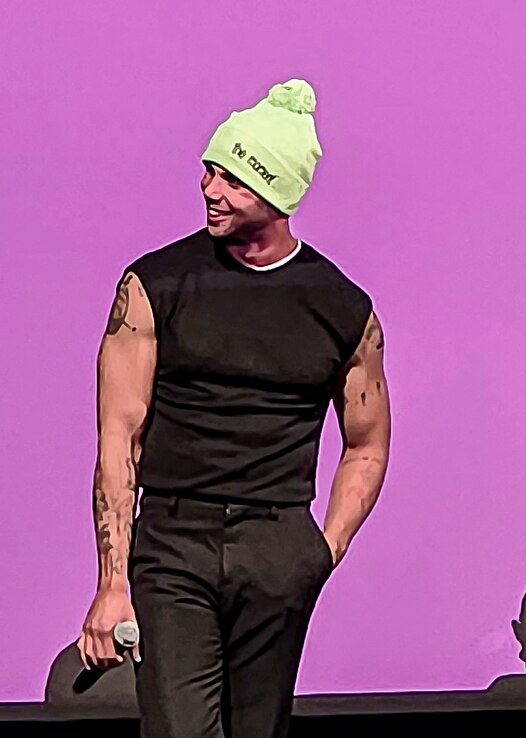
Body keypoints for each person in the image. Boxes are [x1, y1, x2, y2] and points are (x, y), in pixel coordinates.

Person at [76, 79, 390, 738]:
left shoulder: (341, 306)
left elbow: (367, 443)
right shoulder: (154, 284)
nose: (211, 190)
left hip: (277, 545)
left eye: (235, 179)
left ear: (278, 194)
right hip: (174, 542)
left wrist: (320, 552)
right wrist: (112, 583)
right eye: (210, 170)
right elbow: (119, 437)